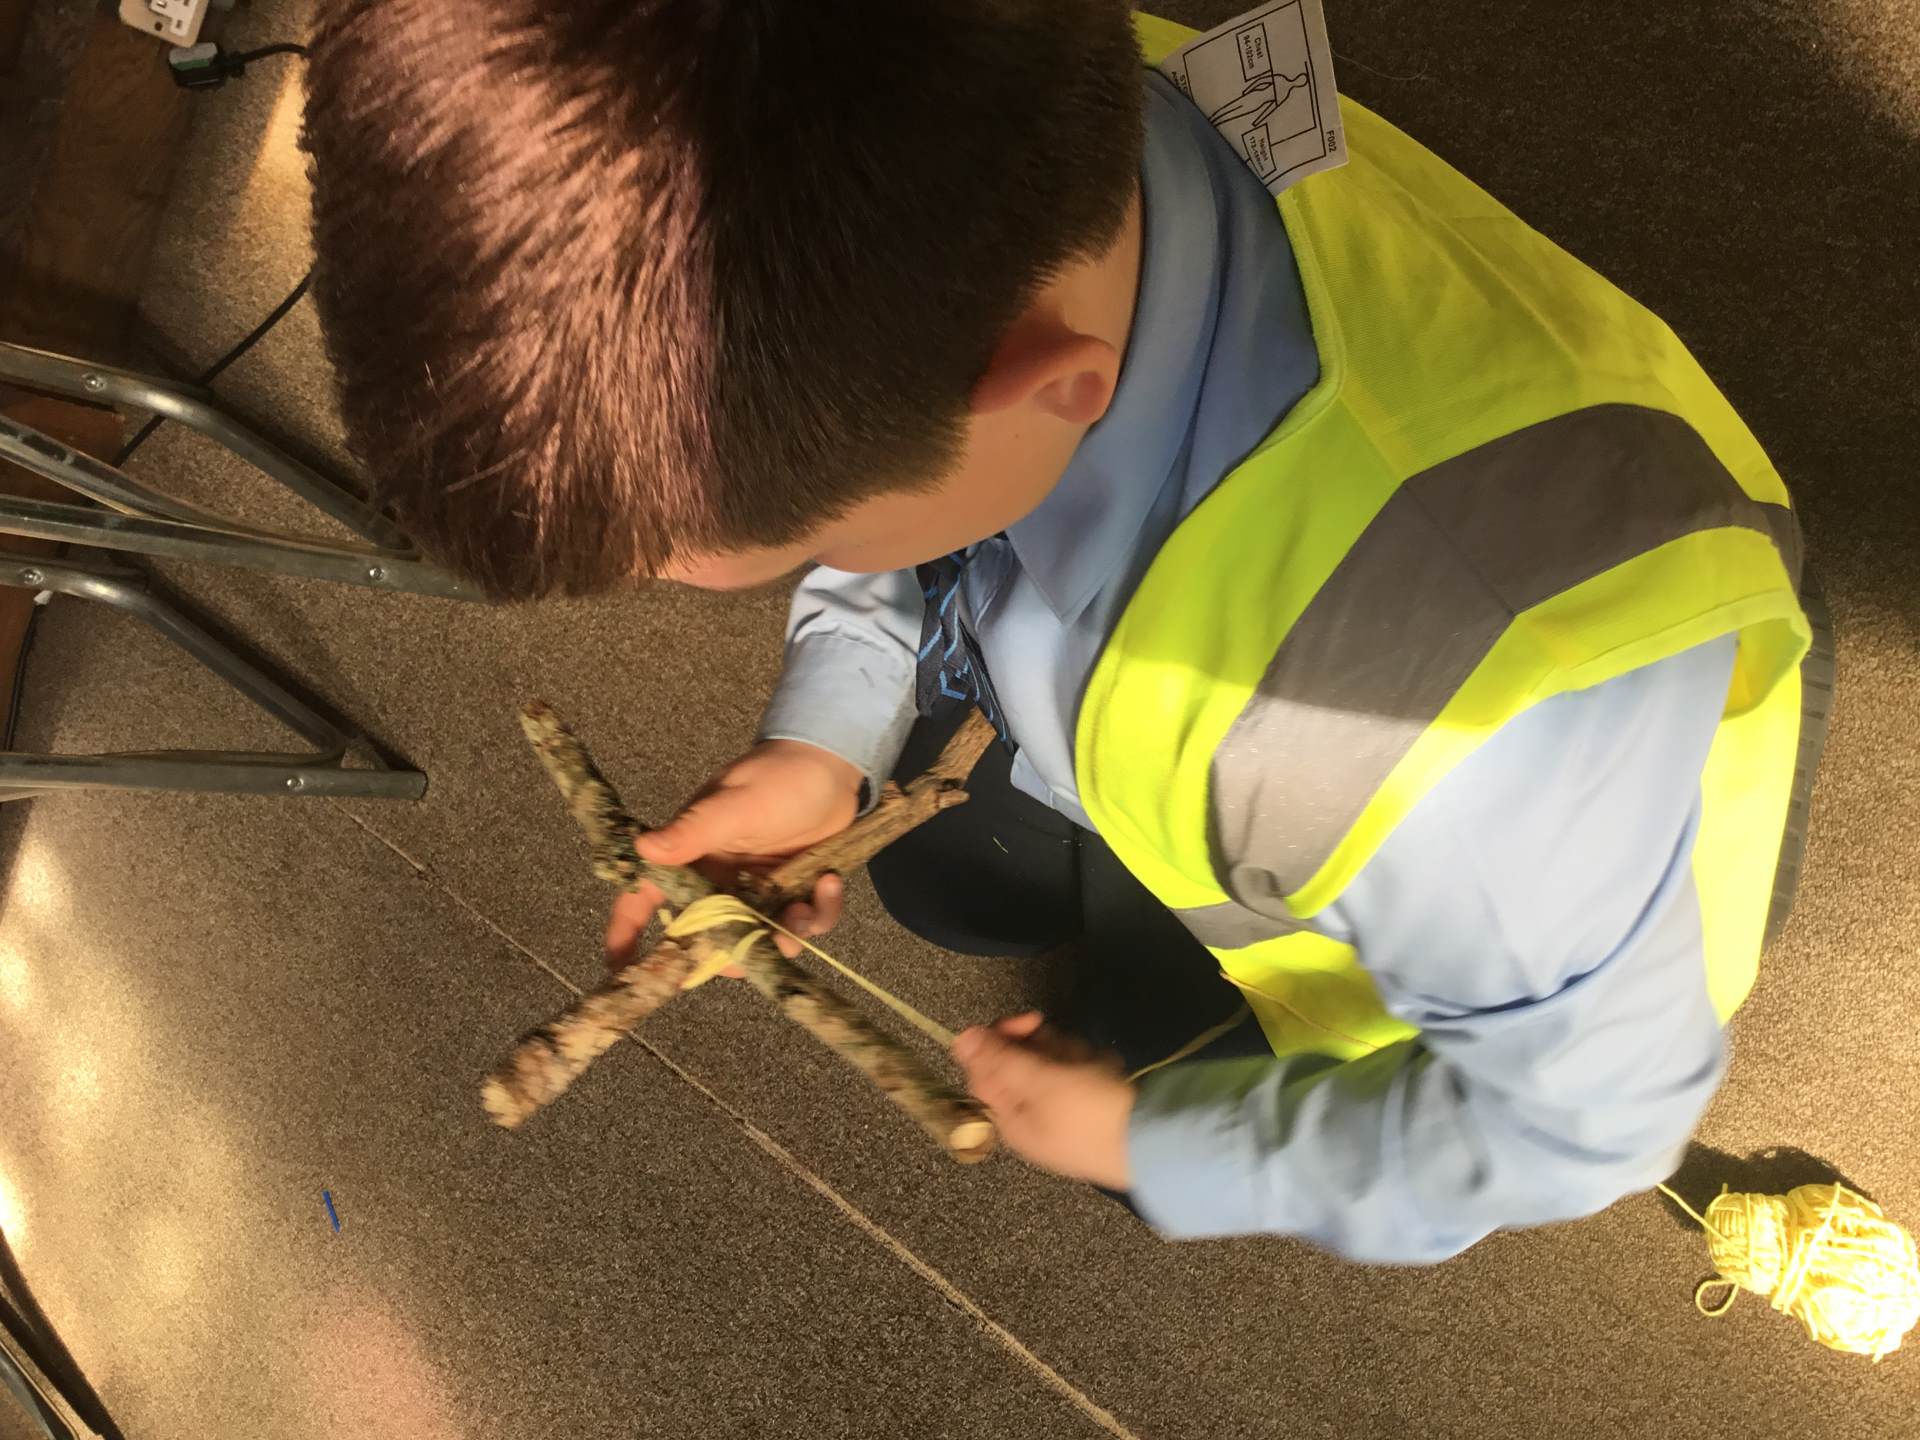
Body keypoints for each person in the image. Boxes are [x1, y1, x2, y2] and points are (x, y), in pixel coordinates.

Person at [301, 2, 1823, 1261]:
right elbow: (914, 446)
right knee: (953, 883)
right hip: (1195, 716)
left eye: (812, 544)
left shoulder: (1465, 744)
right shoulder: (1013, 93)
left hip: (1470, 900)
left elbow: (1585, 1119)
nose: (810, 564)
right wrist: (830, 725)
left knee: (1133, 1081)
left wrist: (1168, 1148)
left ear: (1047, 392)